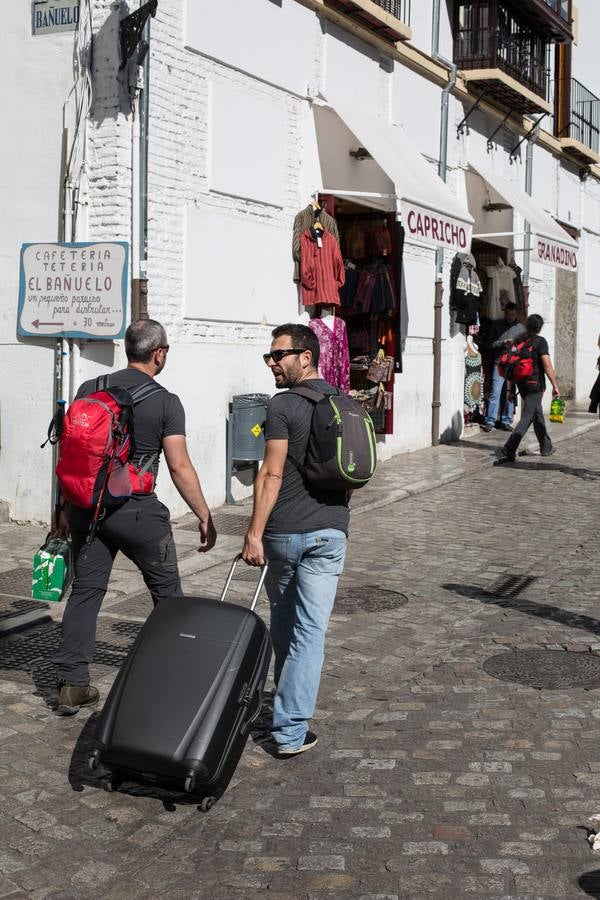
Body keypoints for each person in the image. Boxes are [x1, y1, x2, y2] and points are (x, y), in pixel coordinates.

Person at [51, 319, 217, 714]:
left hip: (86, 509)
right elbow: (179, 466)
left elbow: (71, 455)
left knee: (86, 592)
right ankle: (177, 682)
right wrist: (204, 513)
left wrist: (62, 507)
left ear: (128, 349)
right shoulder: (165, 401)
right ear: (159, 353)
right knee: (168, 598)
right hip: (138, 512)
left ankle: (72, 682)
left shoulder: (89, 389)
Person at [242, 323, 349, 757]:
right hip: (331, 530)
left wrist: (253, 532)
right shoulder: (341, 400)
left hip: (285, 533)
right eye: (269, 356)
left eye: (279, 355)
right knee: (306, 631)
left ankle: (286, 729)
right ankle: (290, 719)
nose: (272, 363)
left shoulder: (282, 406)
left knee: (290, 625)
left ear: (305, 357)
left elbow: (270, 473)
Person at [495, 314, 560, 466]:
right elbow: (547, 365)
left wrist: (510, 390)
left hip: (521, 384)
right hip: (535, 385)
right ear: (540, 327)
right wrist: (555, 385)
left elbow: (511, 365)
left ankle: (546, 446)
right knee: (529, 416)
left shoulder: (520, 341)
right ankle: (509, 447)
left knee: (537, 414)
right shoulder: (540, 342)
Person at [479, 302, 521, 432]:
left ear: (516, 314)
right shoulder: (496, 325)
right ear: (505, 313)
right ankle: (490, 421)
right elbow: (490, 344)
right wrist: (503, 343)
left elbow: (525, 346)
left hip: (513, 364)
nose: (510, 317)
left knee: (510, 393)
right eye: (508, 314)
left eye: (513, 315)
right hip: (499, 364)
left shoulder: (521, 328)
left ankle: (506, 421)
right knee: (494, 392)